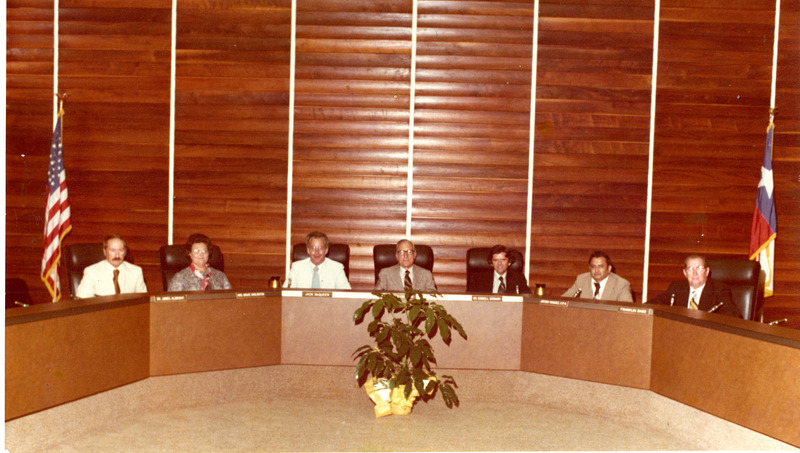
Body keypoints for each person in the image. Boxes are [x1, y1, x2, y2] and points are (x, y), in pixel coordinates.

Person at [647, 254, 741, 318]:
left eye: (699, 268)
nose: (694, 273)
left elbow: (733, 314)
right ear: (685, 273)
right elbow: (656, 303)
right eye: (690, 269)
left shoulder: (719, 289)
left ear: (707, 271)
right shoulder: (676, 288)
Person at [76, 234, 148, 298]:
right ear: (105, 252)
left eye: (120, 250)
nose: (117, 255)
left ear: (125, 252)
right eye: (113, 250)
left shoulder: (136, 271)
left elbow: (143, 300)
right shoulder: (91, 272)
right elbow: (82, 300)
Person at [285, 231, 351, 289]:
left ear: (326, 250)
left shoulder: (337, 269)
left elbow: (345, 295)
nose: (317, 252)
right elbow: (286, 293)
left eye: (320, 248)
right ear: (308, 250)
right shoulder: (296, 267)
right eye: (313, 248)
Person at [168, 233, 232, 291]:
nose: (201, 254)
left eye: (204, 251)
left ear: (208, 253)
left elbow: (230, 300)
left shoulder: (220, 276)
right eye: (196, 251)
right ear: (190, 253)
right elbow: (173, 302)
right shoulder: (180, 277)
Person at [562, 251, 633, 302]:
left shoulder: (621, 285)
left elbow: (627, 312)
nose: (596, 270)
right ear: (589, 268)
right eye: (593, 266)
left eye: (601, 266)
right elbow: (562, 301)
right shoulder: (581, 280)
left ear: (609, 269)